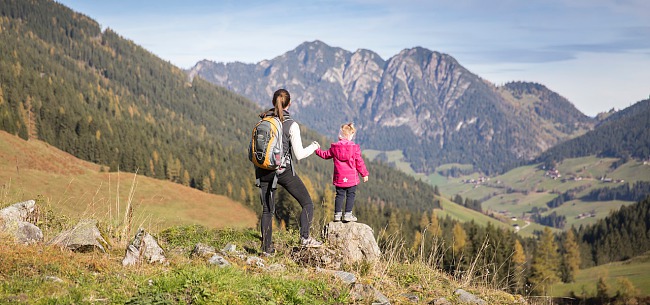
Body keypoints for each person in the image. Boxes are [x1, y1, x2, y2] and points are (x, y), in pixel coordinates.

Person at [255, 88, 322, 255]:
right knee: (307, 203)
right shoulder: (291, 124)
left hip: (263, 169)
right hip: (282, 171)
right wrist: (314, 147)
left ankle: (266, 250)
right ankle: (305, 238)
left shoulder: (265, 119)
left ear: (273, 102)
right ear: (289, 104)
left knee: (267, 210)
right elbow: (299, 155)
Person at [315, 123, 369, 223]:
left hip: (339, 177)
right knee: (351, 195)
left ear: (340, 135)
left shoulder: (334, 148)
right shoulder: (354, 148)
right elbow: (359, 162)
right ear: (350, 136)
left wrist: (317, 150)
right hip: (351, 178)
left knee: (339, 195)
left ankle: (337, 214)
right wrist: (364, 174)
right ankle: (348, 214)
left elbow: (325, 155)